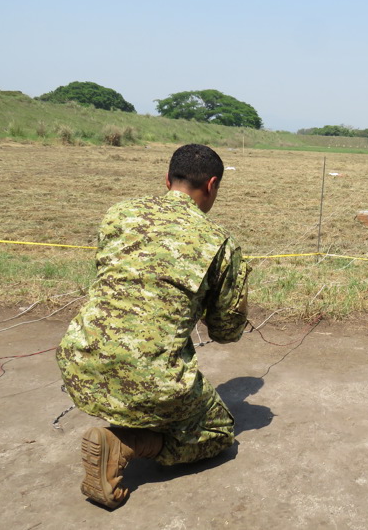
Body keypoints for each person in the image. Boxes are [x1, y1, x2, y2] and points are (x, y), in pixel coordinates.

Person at [57, 143, 249, 509]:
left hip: (79, 363)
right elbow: (226, 331)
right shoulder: (219, 241)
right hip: (151, 377)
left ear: (167, 179)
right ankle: (124, 444)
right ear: (212, 185)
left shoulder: (118, 213)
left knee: (157, 389)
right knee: (218, 431)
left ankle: (135, 420)